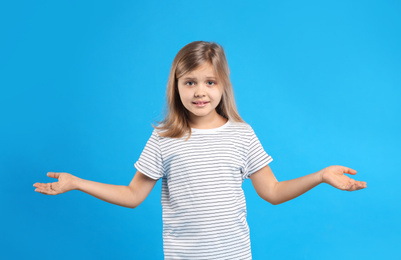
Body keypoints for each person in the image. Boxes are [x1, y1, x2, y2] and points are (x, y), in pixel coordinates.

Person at [33, 41, 367, 260]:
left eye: (209, 82)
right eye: (189, 82)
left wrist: (321, 176)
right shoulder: (164, 138)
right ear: (176, 87)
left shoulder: (242, 134)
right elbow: (133, 195)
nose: (199, 92)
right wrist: (77, 182)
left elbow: (273, 191)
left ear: (223, 85)